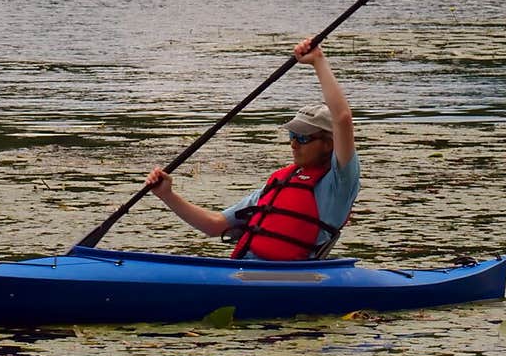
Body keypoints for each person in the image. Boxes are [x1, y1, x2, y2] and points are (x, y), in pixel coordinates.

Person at [145, 39, 360, 259]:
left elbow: (342, 119)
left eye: (303, 138)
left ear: (329, 144)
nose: (293, 143)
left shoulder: (338, 184)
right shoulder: (281, 181)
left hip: (285, 280)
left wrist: (318, 61)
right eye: (292, 135)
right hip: (244, 273)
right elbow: (214, 225)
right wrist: (167, 195)